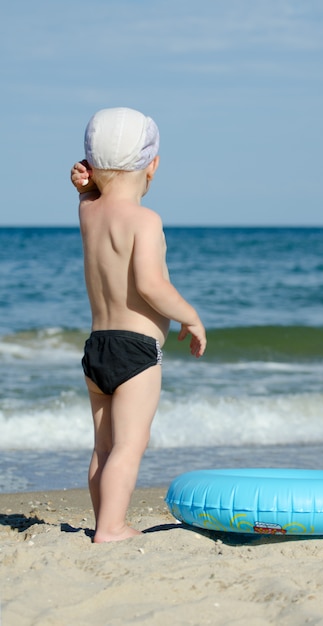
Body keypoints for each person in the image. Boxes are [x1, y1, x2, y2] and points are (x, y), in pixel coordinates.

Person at [70, 107, 206, 543]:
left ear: (90, 165)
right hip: (137, 352)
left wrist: (82, 188)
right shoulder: (145, 220)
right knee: (129, 447)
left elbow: (89, 200)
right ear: (153, 165)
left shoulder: (89, 214)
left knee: (104, 447)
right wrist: (191, 316)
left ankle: (104, 521)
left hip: (97, 349)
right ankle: (111, 528)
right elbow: (151, 285)